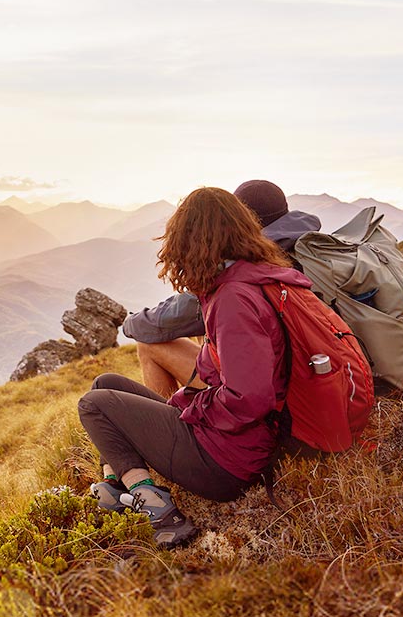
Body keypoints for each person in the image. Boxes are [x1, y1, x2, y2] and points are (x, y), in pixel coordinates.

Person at [75, 186, 318, 546]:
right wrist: (185, 404)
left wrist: (192, 412)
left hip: (227, 464)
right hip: (234, 444)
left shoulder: (234, 299)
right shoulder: (249, 278)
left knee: (93, 406)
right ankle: (117, 486)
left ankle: (158, 510)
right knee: (105, 383)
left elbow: (250, 399)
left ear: (195, 241)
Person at [121, 180, 320, 398]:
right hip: (317, 372)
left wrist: (128, 324)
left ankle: (168, 427)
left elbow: (171, 317)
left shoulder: (240, 271)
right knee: (203, 330)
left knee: (147, 345)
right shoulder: (309, 248)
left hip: (279, 389)